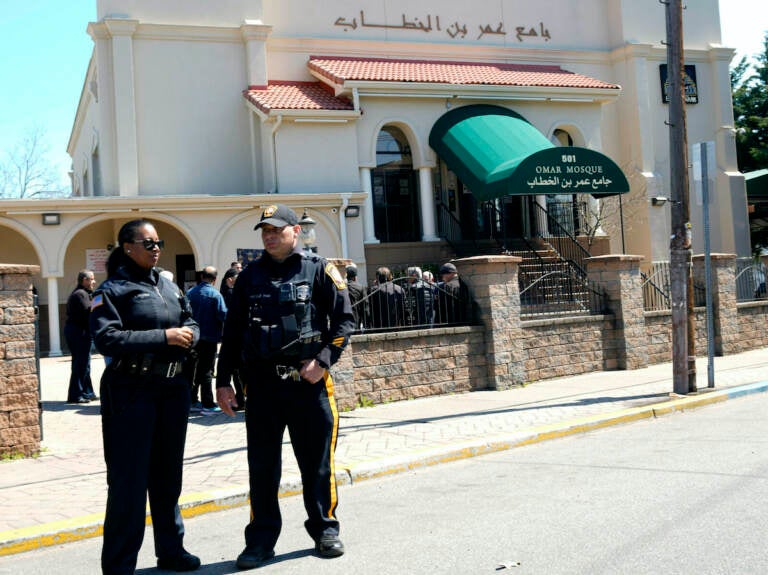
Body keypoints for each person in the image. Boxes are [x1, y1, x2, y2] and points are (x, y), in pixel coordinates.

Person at [215, 204, 354, 569]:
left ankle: (324, 529)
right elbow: (231, 334)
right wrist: (223, 381)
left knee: (317, 464)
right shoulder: (248, 277)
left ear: (295, 230)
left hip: (308, 385)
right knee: (262, 467)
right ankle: (261, 540)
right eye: (265, 230)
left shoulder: (319, 269)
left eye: (276, 229)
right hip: (261, 387)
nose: (270, 235)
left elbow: (344, 322)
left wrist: (322, 362)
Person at [90, 219, 201, 574]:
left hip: (172, 391)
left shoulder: (168, 287)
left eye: (159, 243)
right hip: (130, 391)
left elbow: (192, 321)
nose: (156, 249)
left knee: (168, 477)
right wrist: (164, 337)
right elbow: (107, 339)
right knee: (129, 481)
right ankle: (120, 564)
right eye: (148, 243)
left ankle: (171, 550)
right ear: (127, 247)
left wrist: (190, 335)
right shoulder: (111, 290)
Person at [186, 266, 227, 415]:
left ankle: (192, 400)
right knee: (207, 371)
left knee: (192, 369)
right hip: (209, 338)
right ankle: (208, 404)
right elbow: (224, 315)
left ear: (201, 276)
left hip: (191, 338)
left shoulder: (190, 293)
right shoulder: (215, 295)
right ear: (215, 279)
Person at [65, 269, 97, 403]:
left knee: (85, 364)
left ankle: (87, 392)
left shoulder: (85, 293)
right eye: (92, 279)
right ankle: (75, 395)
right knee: (80, 364)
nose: (94, 282)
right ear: (85, 280)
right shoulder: (80, 294)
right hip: (78, 333)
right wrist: (98, 303)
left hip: (82, 332)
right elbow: (88, 312)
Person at [219, 267, 246, 409]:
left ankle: (241, 399)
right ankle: (241, 400)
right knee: (237, 373)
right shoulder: (230, 294)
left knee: (236, 373)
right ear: (230, 279)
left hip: (229, 337)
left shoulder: (224, 293)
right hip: (235, 338)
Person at [345, 264, 368, 329]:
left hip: (344, 322)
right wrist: (366, 325)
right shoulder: (361, 288)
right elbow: (365, 307)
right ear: (355, 277)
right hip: (356, 320)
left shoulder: (342, 288)